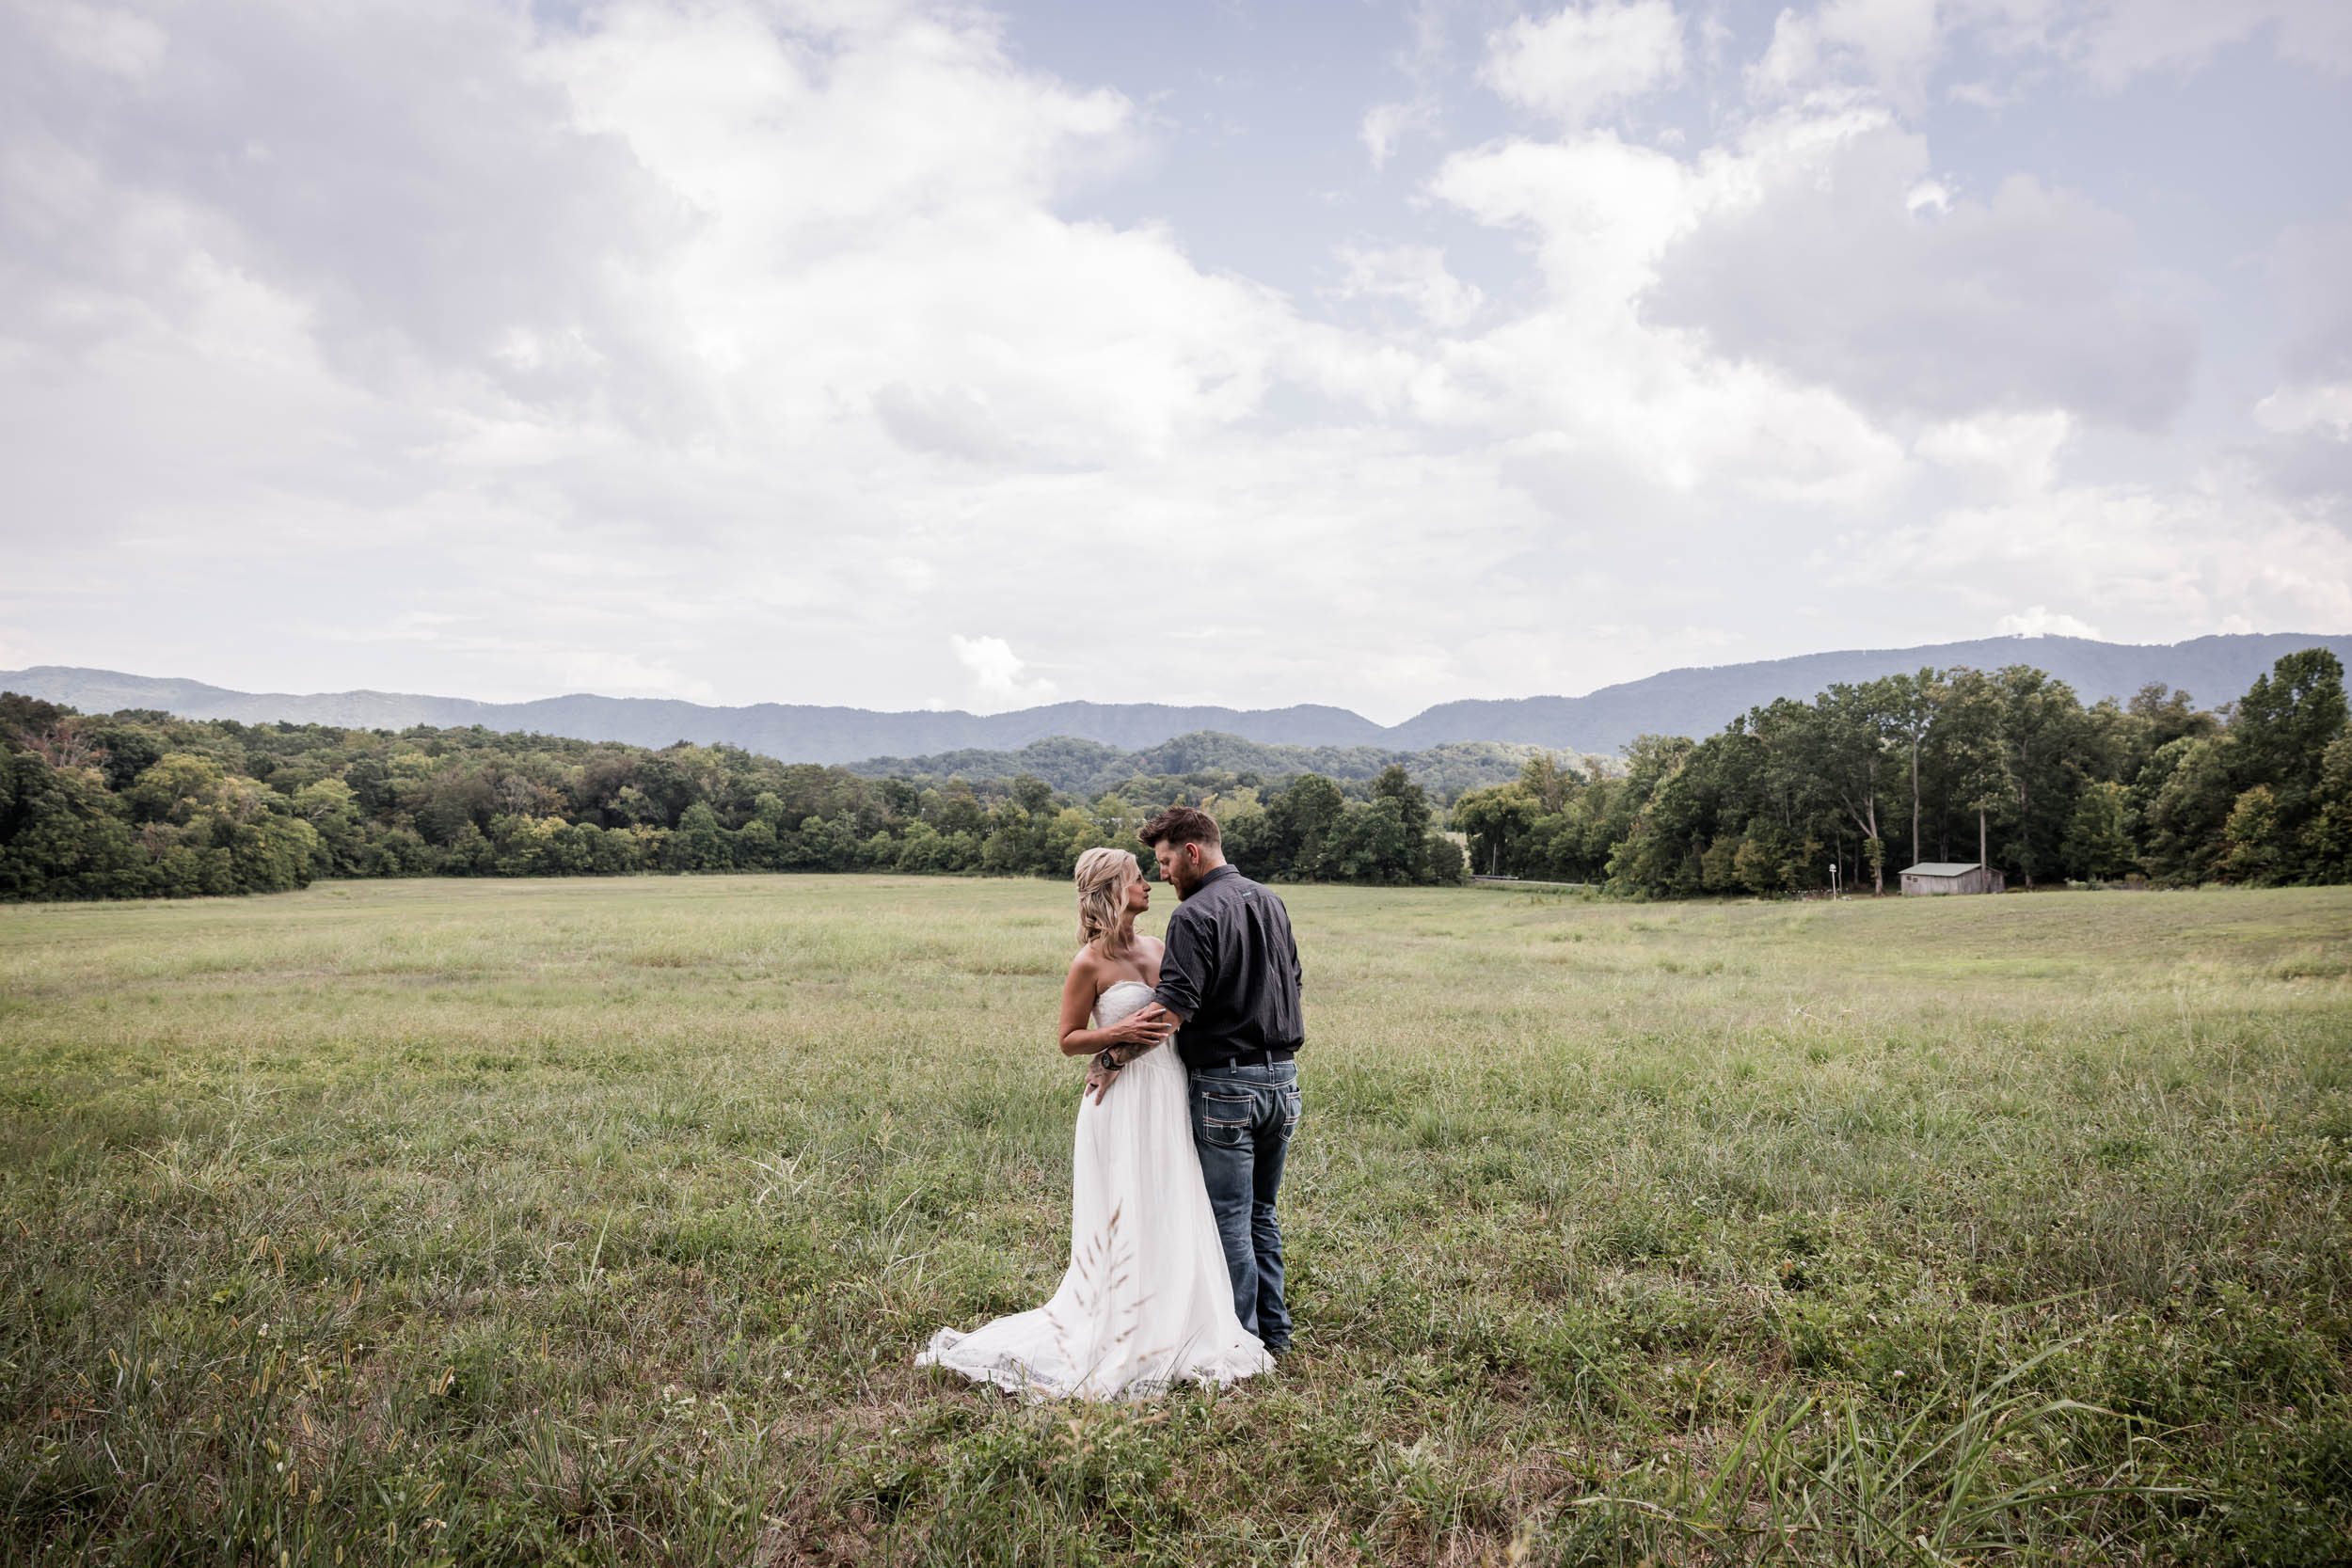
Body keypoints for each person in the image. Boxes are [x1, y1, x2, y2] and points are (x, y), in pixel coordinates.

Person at [914, 847, 1272, 1400]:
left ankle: (1184, 1318)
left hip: (1170, 1089)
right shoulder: (1089, 961)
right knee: (1126, 1210)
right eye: (1137, 878)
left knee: (1175, 1202)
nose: (1149, 884)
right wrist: (1114, 1037)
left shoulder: (1161, 946)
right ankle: (1124, 1326)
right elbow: (1067, 1039)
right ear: (1113, 889)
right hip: (1121, 1102)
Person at [1120, 805, 1304, 1358]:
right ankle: (1275, 1334)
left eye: (1166, 860)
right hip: (1284, 1082)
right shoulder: (1271, 901)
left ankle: (1239, 1344)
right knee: (1262, 1213)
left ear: (1192, 852)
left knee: (1228, 1217)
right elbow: (1292, 979)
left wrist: (1110, 1059)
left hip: (1226, 1085)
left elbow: (1171, 1010)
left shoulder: (1194, 916)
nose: (1162, 874)